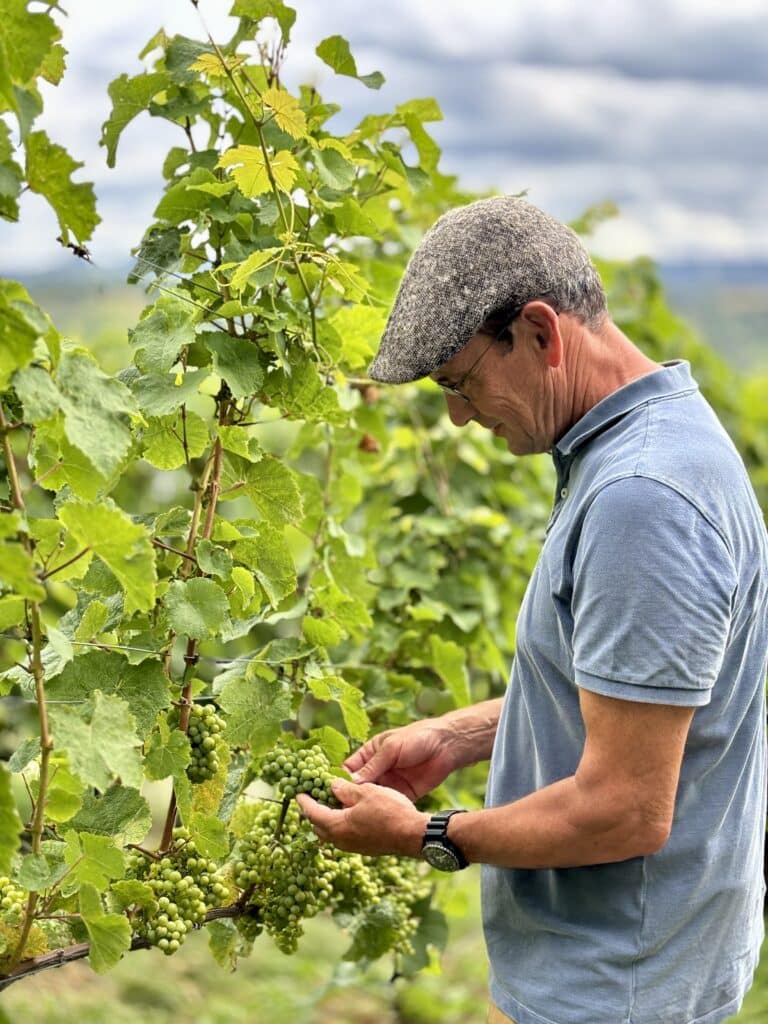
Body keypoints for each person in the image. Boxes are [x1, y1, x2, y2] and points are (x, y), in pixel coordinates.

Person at [297, 196, 768, 1024]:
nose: (458, 414)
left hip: (617, 988)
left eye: (461, 380)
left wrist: (426, 835)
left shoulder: (641, 500)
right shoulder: (654, 443)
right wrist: (459, 736)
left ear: (542, 333)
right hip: (635, 968)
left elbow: (624, 805)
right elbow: (645, 708)